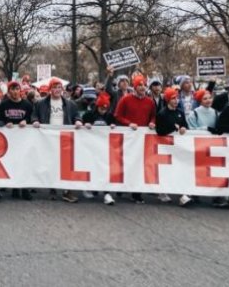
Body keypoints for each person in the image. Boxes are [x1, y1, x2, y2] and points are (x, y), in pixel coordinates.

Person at [32, 77, 83, 203]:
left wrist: (78, 121)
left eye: (59, 87)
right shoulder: (41, 103)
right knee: (51, 162)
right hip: (48, 137)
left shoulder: (70, 104)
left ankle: (67, 191)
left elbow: (76, 115)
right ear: (50, 89)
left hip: (65, 137)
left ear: (62, 89)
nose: (57, 90)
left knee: (66, 164)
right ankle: (53, 188)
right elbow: (34, 115)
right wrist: (35, 121)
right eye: (54, 87)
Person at [113, 75, 156, 204]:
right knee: (127, 161)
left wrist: (152, 122)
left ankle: (136, 192)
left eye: (144, 85)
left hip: (144, 137)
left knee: (140, 163)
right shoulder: (125, 100)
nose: (142, 88)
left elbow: (154, 116)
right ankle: (121, 186)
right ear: (135, 87)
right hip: (129, 136)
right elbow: (117, 115)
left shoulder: (150, 101)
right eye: (140, 85)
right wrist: (129, 123)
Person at [155, 87, 194, 207]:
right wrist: (173, 127)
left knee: (180, 169)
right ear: (167, 100)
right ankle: (163, 192)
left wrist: (183, 128)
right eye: (173, 98)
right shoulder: (162, 113)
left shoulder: (180, 112)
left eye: (176, 98)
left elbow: (185, 126)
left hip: (178, 147)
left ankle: (182, 195)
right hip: (165, 147)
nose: (176, 100)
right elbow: (160, 131)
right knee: (166, 170)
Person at [0, 81, 34, 200]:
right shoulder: (4, 104)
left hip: (24, 138)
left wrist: (27, 121)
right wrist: (5, 122)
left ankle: (25, 189)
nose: (15, 92)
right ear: (9, 91)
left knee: (24, 162)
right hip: (9, 139)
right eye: (12, 89)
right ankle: (15, 188)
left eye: (17, 89)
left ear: (20, 90)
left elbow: (33, 118)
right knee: (12, 162)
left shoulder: (27, 104)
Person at [82, 93, 117, 205]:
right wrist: (85, 125)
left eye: (106, 108)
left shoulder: (110, 116)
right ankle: (90, 187)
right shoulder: (89, 115)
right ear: (97, 107)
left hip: (105, 147)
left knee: (104, 168)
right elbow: (80, 125)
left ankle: (107, 192)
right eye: (102, 108)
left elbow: (116, 125)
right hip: (91, 146)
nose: (104, 110)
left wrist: (113, 126)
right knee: (91, 166)